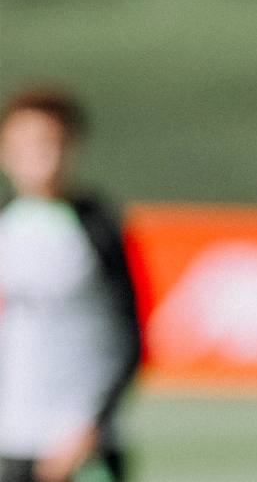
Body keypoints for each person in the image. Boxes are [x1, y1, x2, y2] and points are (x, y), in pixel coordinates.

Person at [0, 89, 141, 482]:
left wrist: (89, 428)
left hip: (81, 443)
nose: (39, 154)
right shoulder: (6, 225)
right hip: (17, 437)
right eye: (24, 143)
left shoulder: (96, 226)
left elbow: (133, 339)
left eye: (50, 142)